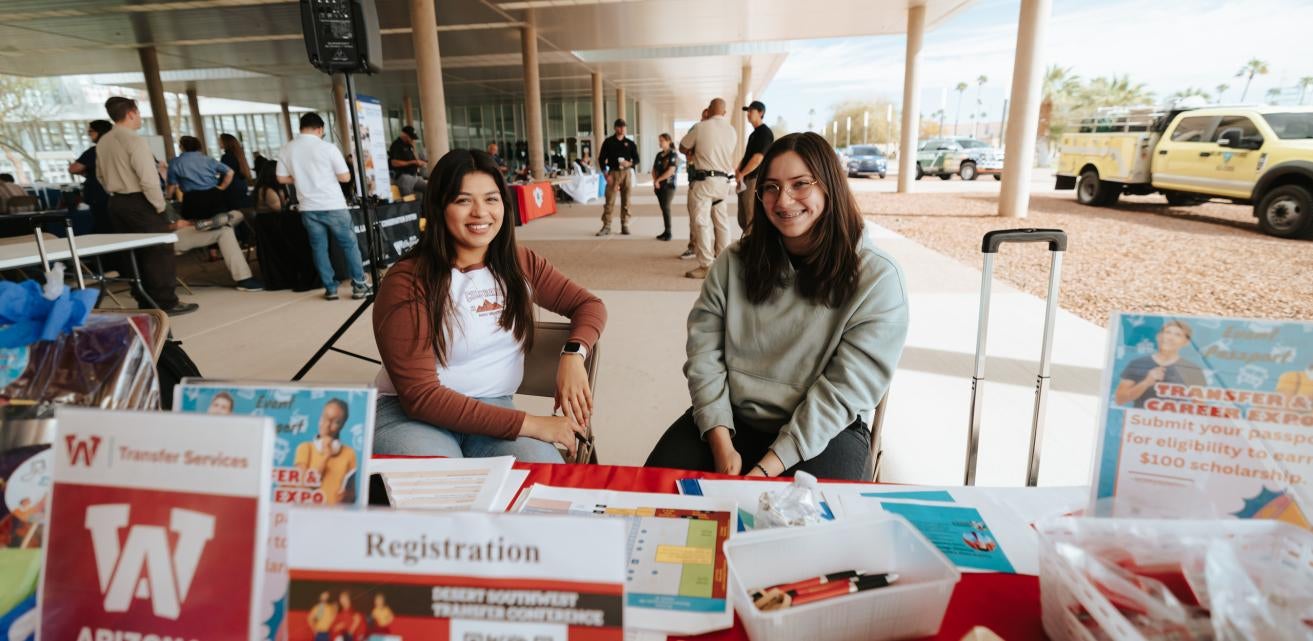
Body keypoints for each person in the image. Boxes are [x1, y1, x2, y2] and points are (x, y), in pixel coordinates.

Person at [644, 132, 909, 481]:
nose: (783, 201)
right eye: (770, 187)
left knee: (805, 528)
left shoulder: (877, 278)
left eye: (800, 184)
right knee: (648, 493)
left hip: (824, 432)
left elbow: (843, 393)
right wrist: (721, 446)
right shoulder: (733, 262)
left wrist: (767, 468)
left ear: (829, 186)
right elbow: (704, 356)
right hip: (730, 421)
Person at [372, 149, 605, 462]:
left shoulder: (520, 262)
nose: (480, 212)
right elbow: (420, 397)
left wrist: (574, 354)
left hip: (494, 409)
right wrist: (532, 424)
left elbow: (588, 305)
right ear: (439, 207)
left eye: (491, 199)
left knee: (542, 480)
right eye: (463, 200)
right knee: (440, 488)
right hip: (410, 418)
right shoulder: (407, 280)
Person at [95, 97, 197, 315]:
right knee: (159, 250)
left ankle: (144, 300)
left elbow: (100, 176)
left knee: (131, 253)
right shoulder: (134, 140)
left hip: (116, 202)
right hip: (140, 200)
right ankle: (165, 302)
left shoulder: (104, 141)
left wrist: (116, 190)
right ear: (131, 112)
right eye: (139, 112)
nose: (140, 117)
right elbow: (148, 179)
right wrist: (159, 206)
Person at [277, 112, 370, 301]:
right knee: (349, 245)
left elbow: (280, 178)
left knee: (319, 248)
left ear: (301, 128)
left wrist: (301, 178)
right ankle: (359, 285)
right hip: (333, 204)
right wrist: (325, 176)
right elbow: (345, 177)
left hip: (308, 207)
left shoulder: (287, 149)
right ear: (320, 129)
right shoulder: (327, 148)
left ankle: (330, 289)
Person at [679, 99, 737, 278]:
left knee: (701, 222)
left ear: (709, 110)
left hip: (704, 182)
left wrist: (693, 151)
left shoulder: (701, 127)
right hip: (723, 182)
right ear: (725, 113)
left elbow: (682, 146)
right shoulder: (732, 130)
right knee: (721, 222)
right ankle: (724, 263)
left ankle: (706, 265)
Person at [1114, 320, 1206, 408]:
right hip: (1139, 421)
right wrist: (1146, 382)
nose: (1170, 337)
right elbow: (1120, 399)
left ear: (1186, 342)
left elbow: (1200, 406)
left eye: (1178, 335)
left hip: (1172, 422)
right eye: (1167, 332)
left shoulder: (1193, 369)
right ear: (1159, 336)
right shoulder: (1137, 364)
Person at [293, 398, 358, 505]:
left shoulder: (349, 453)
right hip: (308, 511)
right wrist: (326, 456)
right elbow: (304, 486)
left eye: (335, 422)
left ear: (342, 425)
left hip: (334, 514)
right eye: (325, 418)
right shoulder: (305, 448)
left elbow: (353, 495)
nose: (327, 425)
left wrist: (348, 496)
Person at [166, 135, 234, 220]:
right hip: (214, 196)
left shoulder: (175, 162)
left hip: (193, 199)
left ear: (182, 147)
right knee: (219, 224)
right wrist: (222, 187)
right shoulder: (208, 159)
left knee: (194, 228)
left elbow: (172, 185)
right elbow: (230, 172)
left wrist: (167, 197)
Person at [679, 108, 713, 261]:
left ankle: (715, 251)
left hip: (714, 180)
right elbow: (684, 148)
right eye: (704, 117)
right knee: (696, 217)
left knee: (715, 219)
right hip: (696, 179)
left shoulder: (717, 131)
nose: (706, 119)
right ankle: (693, 247)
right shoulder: (696, 129)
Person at [736, 101, 775, 234]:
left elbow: (758, 158)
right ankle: (747, 246)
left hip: (754, 179)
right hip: (746, 179)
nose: (748, 114)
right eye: (747, 111)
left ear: (760, 113)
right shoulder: (754, 134)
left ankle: (752, 251)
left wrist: (742, 173)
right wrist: (739, 170)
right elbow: (748, 156)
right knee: (742, 219)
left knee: (750, 218)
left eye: (751, 111)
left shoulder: (765, 133)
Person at [596, 119, 639, 236]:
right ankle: (606, 226)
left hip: (626, 173)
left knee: (627, 200)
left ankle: (625, 224)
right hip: (613, 173)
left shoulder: (630, 143)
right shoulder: (608, 142)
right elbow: (601, 159)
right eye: (619, 127)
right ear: (615, 128)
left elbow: (637, 159)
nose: (622, 129)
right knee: (609, 201)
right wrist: (606, 175)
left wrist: (629, 163)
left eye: (624, 127)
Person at [69, 120, 113, 233]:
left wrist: (86, 172)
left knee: (103, 227)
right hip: (116, 196)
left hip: (99, 196)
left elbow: (73, 168)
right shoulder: (117, 148)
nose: (89, 134)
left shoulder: (96, 150)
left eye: (91, 131)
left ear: (100, 131)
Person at [652, 133, 678, 241]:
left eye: (662, 140)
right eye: (659, 140)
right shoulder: (659, 155)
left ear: (669, 141)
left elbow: (671, 171)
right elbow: (654, 170)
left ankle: (669, 232)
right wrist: (655, 181)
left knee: (666, 208)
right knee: (663, 208)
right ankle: (665, 231)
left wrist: (658, 180)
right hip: (658, 186)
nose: (660, 143)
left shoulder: (673, 154)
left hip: (669, 185)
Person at [389, 125, 428, 196]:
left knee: (428, 188)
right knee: (409, 198)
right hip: (403, 177)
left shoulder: (409, 145)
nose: (412, 140)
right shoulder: (396, 145)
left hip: (414, 176)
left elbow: (413, 159)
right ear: (404, 134)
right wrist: (413, 162)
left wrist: (419, 163)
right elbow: (394, 163)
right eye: (411, 138)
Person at [219, 133, 253, 210]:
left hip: (231, 188)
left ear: (226, 142)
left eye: (220, 141)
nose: (219, 143)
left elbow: (225, 174)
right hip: (241, 186)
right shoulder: (239, 155)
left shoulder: (226, 157)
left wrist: (219, 187)